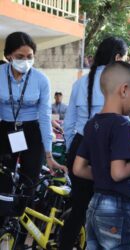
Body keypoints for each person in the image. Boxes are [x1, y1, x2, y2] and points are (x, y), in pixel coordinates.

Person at [72, 61, 130, 249]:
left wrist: (104, 176)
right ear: (124, 90)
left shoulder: (92, 123)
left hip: (95, 204)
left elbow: (78, 168)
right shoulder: (121, 124)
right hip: (118, 207)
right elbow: (118, 173)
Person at [59, 37, 128, 250]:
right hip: (107, 149)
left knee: (78, 210)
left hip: (80, 146)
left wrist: (76, 147)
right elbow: (123, 123)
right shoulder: (120, 83)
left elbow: (69, 123)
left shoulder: (80, 82)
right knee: (106, 211)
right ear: (117, 58)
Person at [0, 32, 66, 228]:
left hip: (32, 131)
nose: (25, 61)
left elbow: (45, 117)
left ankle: (20, 234)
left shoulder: (40, 79)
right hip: (5, 130)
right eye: (20, 57)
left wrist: (48, 154)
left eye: (30, 57)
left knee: (29, 182)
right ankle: (3, 227)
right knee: (3, 182)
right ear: (8, 56)